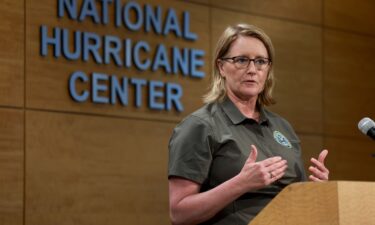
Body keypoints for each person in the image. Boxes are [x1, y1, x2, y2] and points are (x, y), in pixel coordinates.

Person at [168, 23, 329, 225]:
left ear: (268, 68)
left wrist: (318, 191)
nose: (252, 69)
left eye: (261, 61)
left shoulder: (283, 127)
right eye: (241, 60)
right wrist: (240, 184)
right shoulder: (200, 126)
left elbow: (298, 203)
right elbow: (179, 213)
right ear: (221, 66)